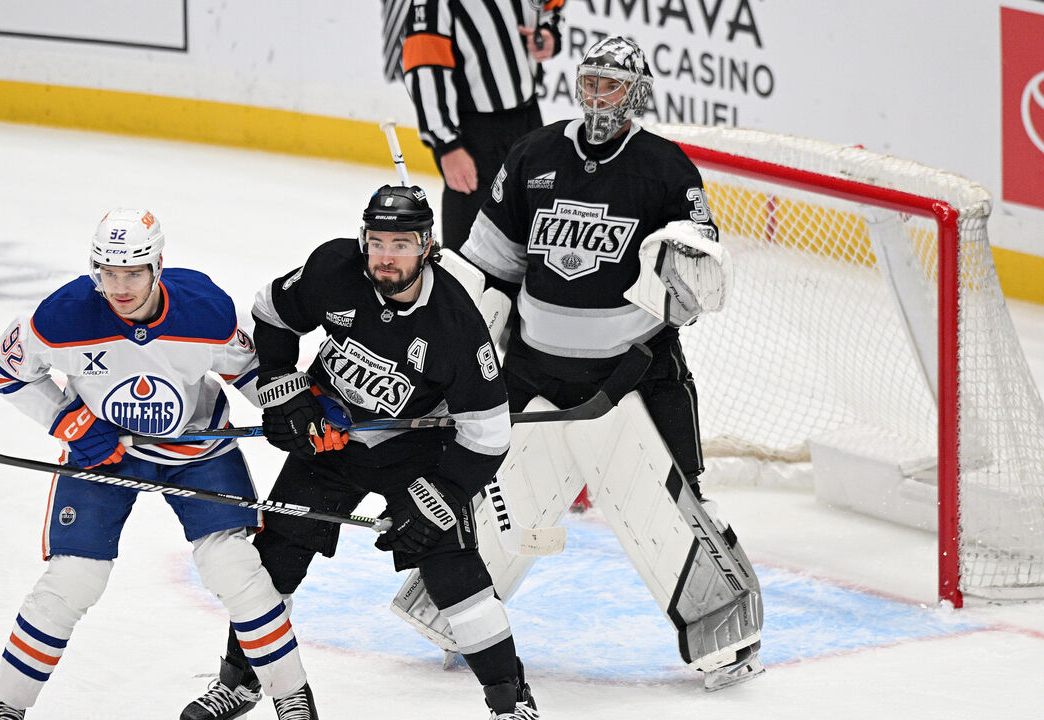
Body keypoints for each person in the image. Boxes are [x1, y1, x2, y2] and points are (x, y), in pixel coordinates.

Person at [452, 34, 763, 687]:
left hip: (633, 372)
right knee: (488, 489)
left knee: (676, 504)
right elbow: (492, 263)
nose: (598, 97)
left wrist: (685, 266)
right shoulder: (534, 153)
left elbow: (697, 275)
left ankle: (726, 636)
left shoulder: (665, 169)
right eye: (590, 83)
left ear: (636, 92)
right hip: (533, 368)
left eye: (612, 85)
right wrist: (472, 336)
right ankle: (456, 613)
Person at [181, 186, 543, 719]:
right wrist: (285, 390)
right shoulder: (335, 269)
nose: (386, 256)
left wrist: (440, 497)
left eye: (401, 244)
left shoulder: (456, 325)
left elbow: (488, 434)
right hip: (329, 439)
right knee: (274, 560)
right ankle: (240, 681)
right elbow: (271, 311)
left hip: (416, 450)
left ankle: (510, 701)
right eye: (377, 242)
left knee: (454, 574)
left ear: (427, 246)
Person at [0, 209, 317, 720]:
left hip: (195, 451)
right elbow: (6, 368)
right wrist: (73, 423)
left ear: (158, 265)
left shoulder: (205, 311)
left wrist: (290, 412)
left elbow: (249, 371)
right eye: (108, 273)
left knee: (236, 569)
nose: (119, 287)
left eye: (133, 273)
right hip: (105, 453)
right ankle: (5, 707)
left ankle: (293, 700)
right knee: (74, 579)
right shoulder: (63, 316)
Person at [389, 0, 566, 252]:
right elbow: (425, 67)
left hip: (528, 118)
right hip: (474, 135)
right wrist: (447, 144)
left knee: (535, 224)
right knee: (469, 246)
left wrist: (549, 31)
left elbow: (551, 5)